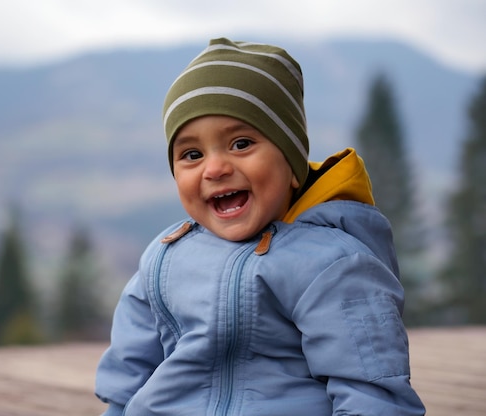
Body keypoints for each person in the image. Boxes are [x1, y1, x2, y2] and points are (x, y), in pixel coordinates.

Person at [95, 37, 425, 415]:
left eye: (240, 143)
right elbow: (129, 375)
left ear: (292, 166)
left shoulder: (333, 265)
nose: (215, 168)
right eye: (192, 154)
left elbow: (372, 394)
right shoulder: (166, 257)